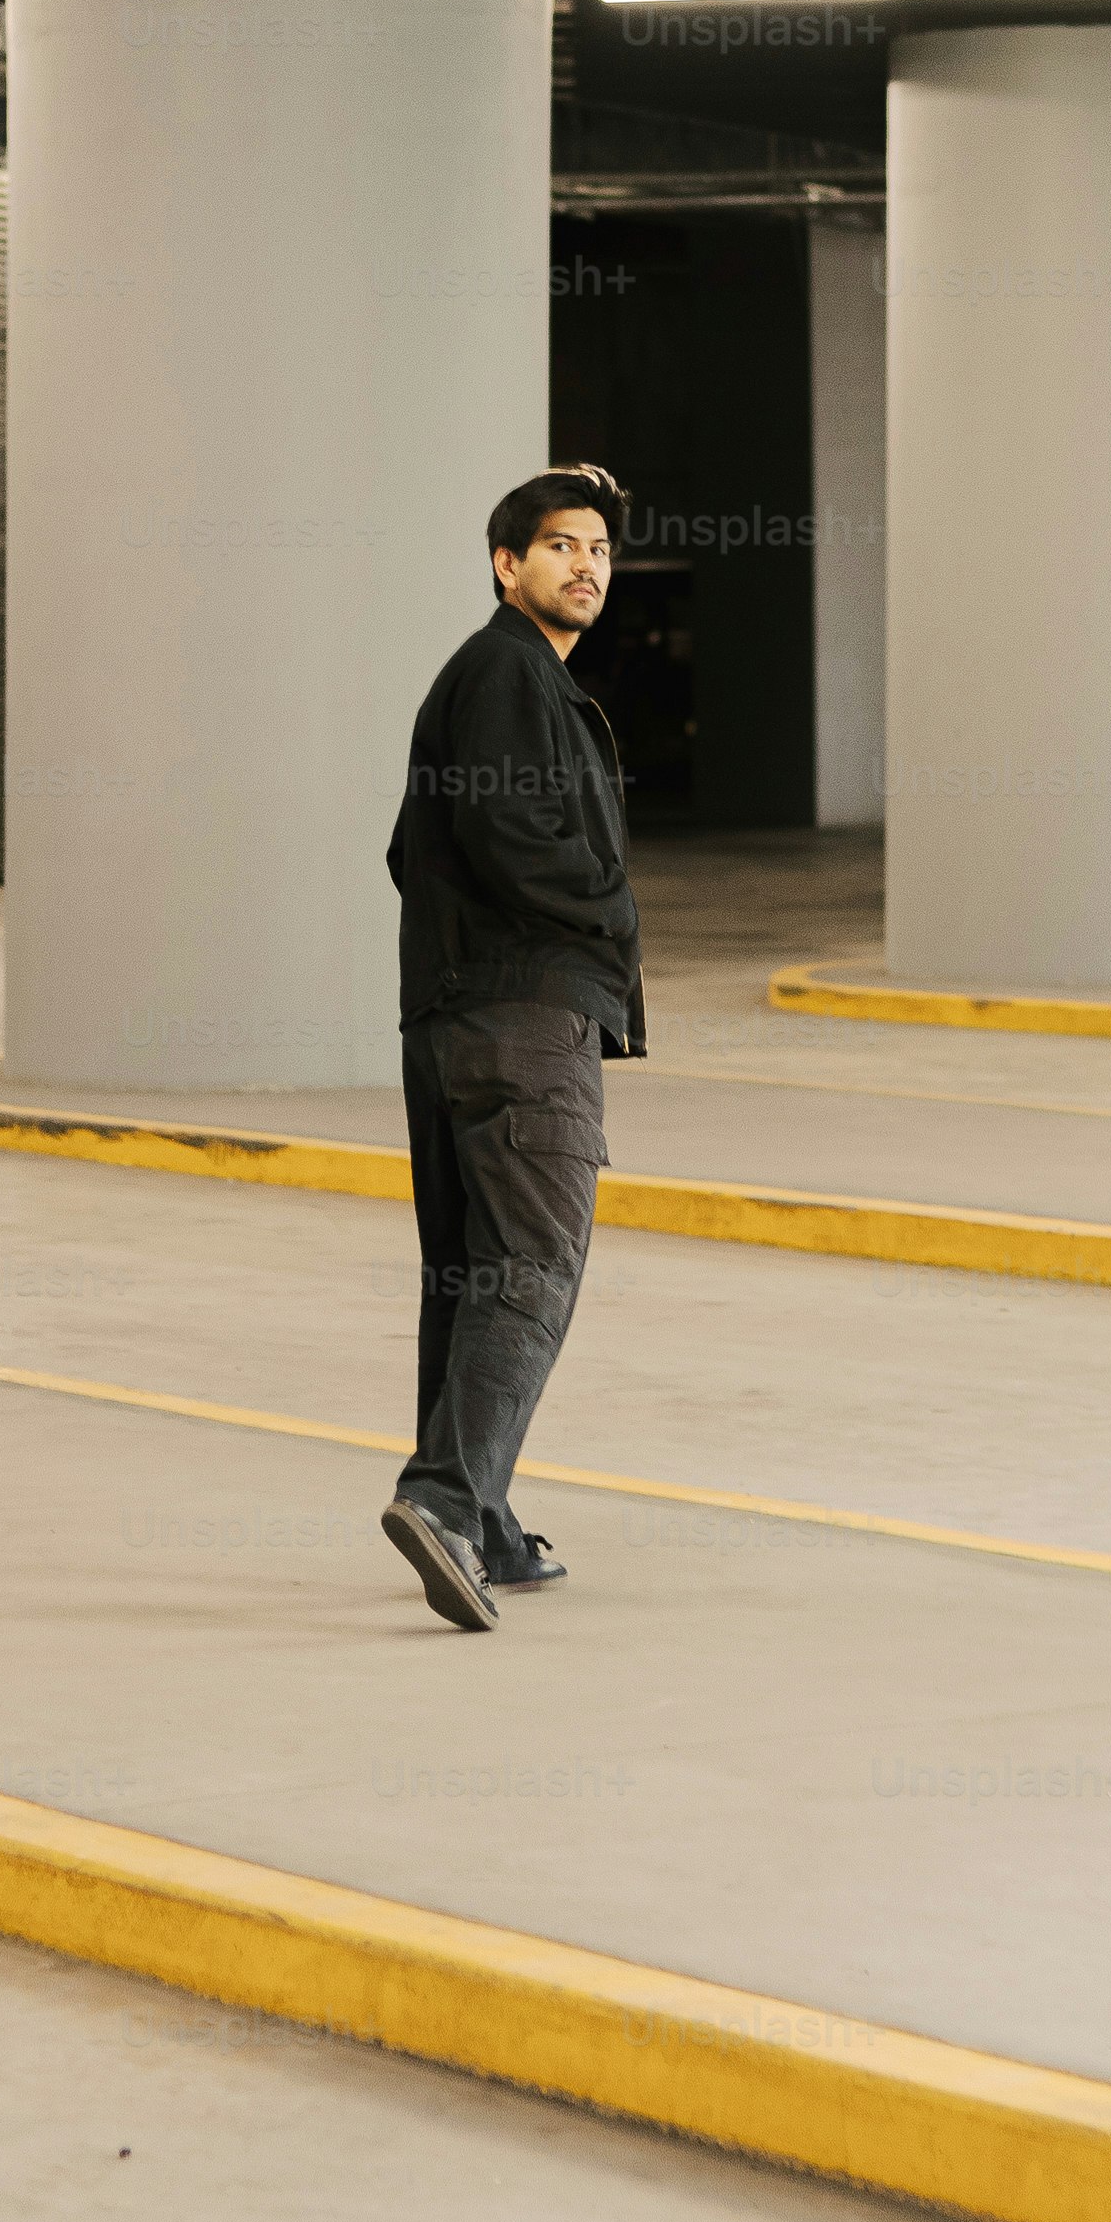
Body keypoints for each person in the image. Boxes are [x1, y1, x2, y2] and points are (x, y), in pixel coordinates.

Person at [373, 463, 645, 1632]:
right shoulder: (504, 672)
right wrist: (605, 906)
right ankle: (442, 1494)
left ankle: (475, 1516)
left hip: (452, 1019)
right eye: (558, 547)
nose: (584, 564)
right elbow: (503, 829)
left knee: (472, 1272)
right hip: (522, 1019)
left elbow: (407, 849)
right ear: (505, 565)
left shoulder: (508, 678)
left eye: (597, 549)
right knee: (532, 1264)